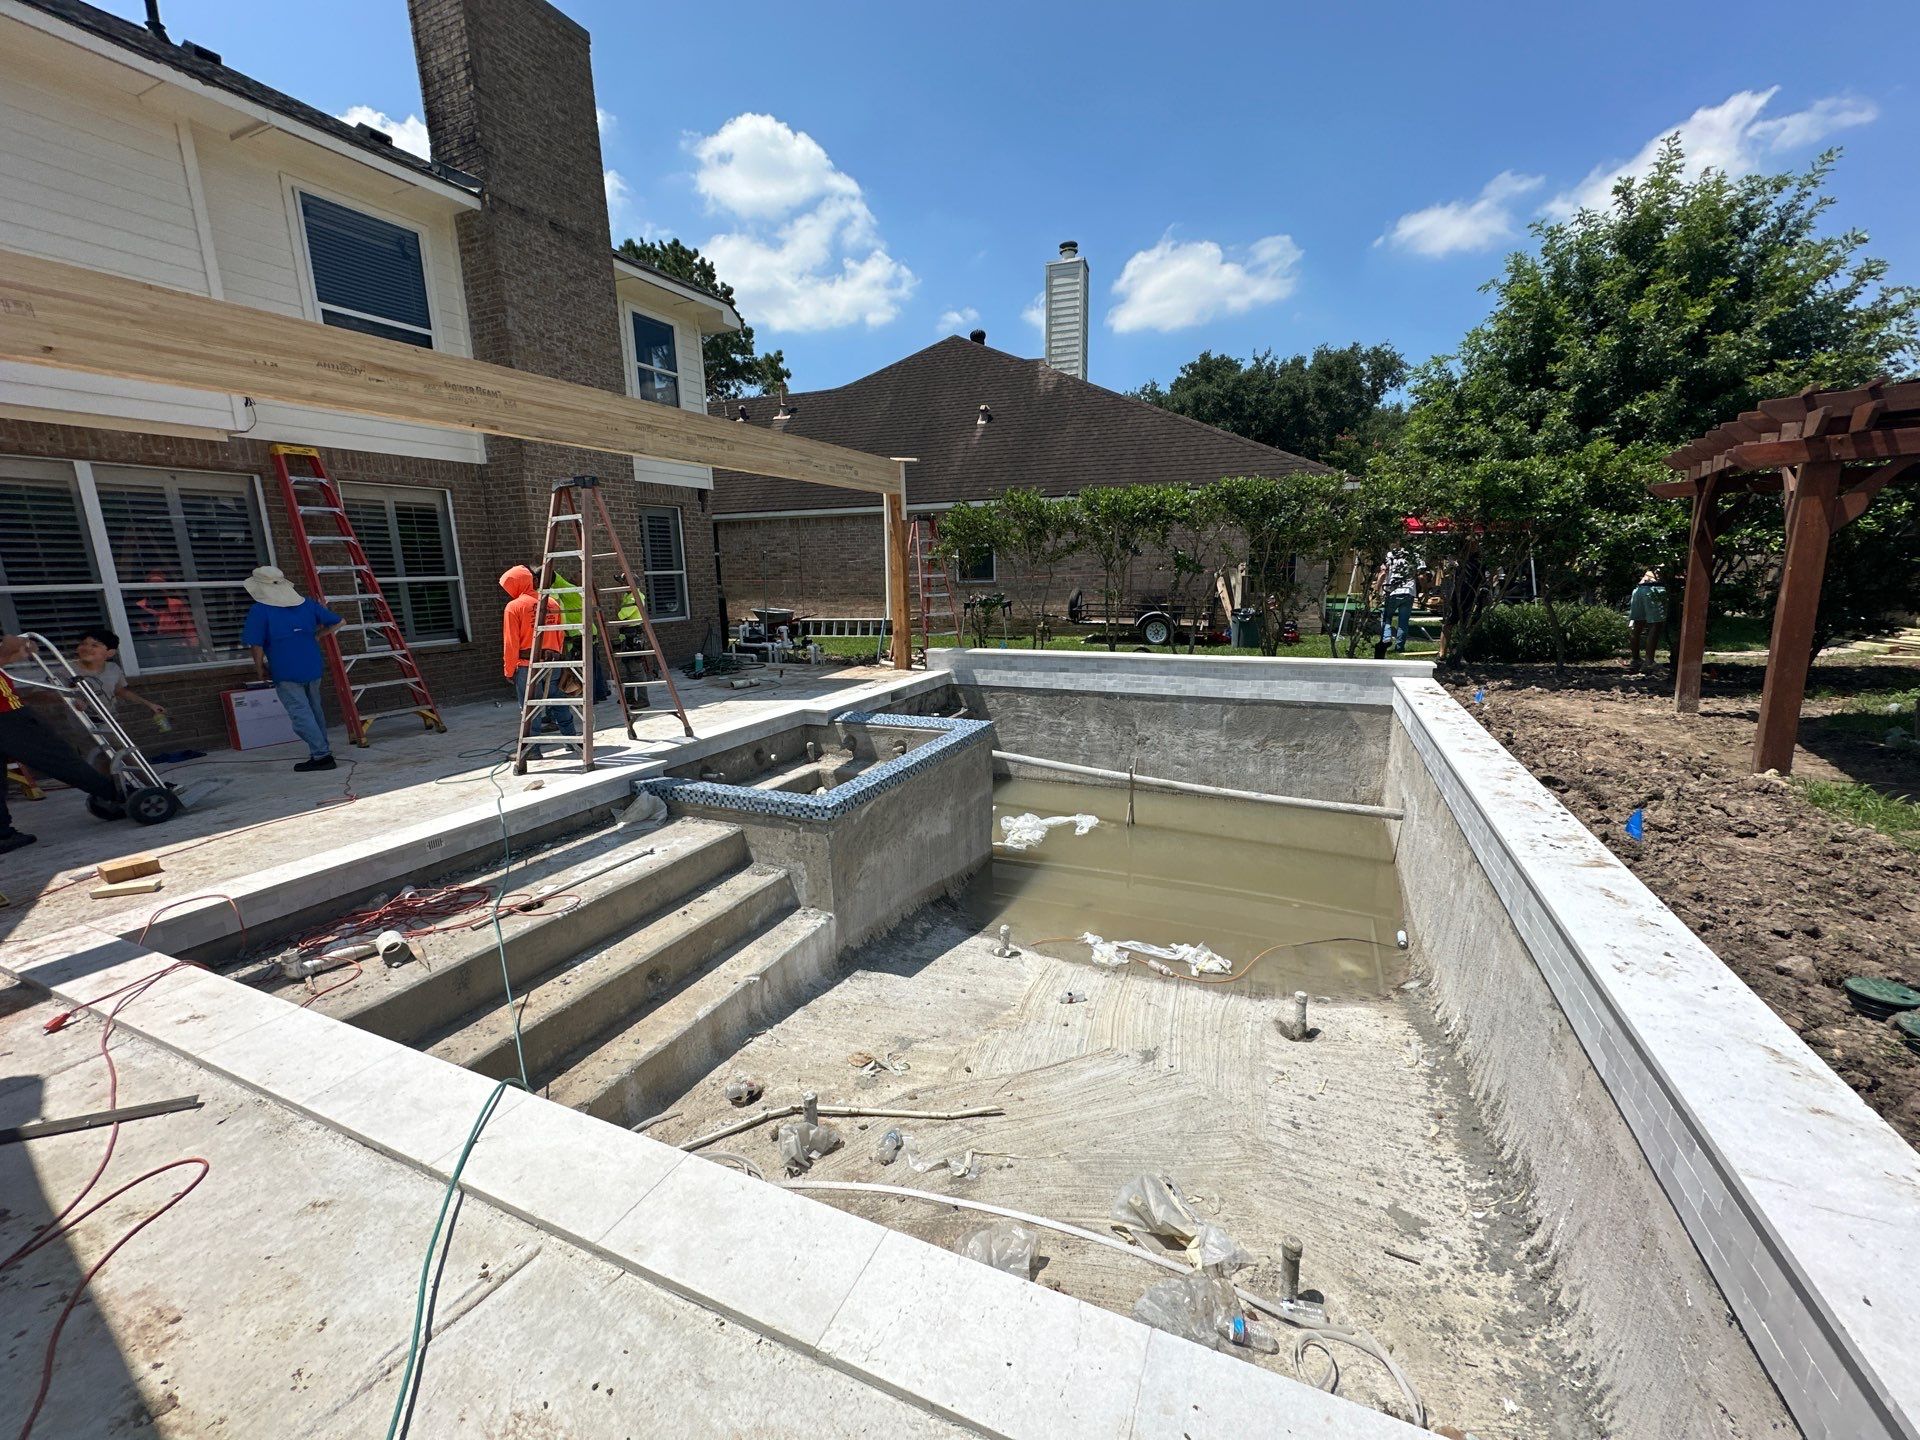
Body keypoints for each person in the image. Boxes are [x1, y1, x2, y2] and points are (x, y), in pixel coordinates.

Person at [0, 632, 125, 854]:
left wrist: (18, 649)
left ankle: (2, 834)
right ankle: (119, 796)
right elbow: (9, 647)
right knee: (57, 757)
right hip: (6, 715)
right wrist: (20, 645)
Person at [240, 565, 342, 772]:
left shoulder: (260, 610)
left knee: (300, 713)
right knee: (314, 709)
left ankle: (321, 756)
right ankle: (322, 750)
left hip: (285, 669)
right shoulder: (308, 605)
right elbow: (340, 621)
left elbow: (257, 645)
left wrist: (259, 669)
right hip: (312, 665)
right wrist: (317, 635)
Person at [499, 565, 574, 743]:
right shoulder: (551, 602)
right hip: (552, 663)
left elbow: (511, 644)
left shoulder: (514, 607)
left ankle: (532, 750)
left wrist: (509, 671)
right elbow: (560, 635)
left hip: (527, 665)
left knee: (530, 708)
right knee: (559, 703)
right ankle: (572, 742)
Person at [1375, 546, 1419, 655]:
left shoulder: (1390, 555)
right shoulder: (1415, 556)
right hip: (1409, 592)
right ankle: (1400, 647)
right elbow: (1422, 576)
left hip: (1392, 591)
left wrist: (1376, 590)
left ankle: (1386, 638)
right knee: (1403, 622)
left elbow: (1383, 573)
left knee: (1386, 617)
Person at [1628, 568, 1669, 672]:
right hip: (1655, 589)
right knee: (1656, 625)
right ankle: (1649, 662)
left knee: (1638, 624)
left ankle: (1635, 659)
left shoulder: (1651, 560)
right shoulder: (1670, 558)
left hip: (1639, 589)